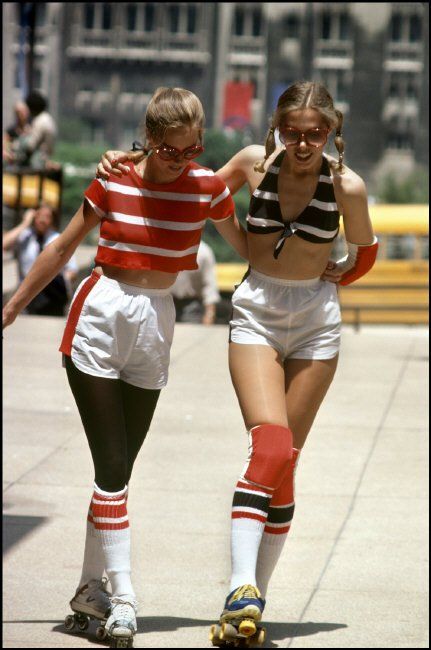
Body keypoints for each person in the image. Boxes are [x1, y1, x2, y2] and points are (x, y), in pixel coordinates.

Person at [95, 80, 378, 642]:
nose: (302, 145)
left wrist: (341, 270)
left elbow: (366, 251)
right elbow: (190, 183)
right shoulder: (253, 163)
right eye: (291, 133)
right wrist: (130, 158)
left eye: (315, 134)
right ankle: (240, 588)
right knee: (269, 443)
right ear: (275, 129)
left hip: (317, 323)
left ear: (333, 132)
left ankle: (250, 610)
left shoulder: (347, 186)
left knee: (285, 463)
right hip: (257, 311)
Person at [2, 87, 247, 646]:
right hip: (100, 314)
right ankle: (124, 597)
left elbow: (252, 250)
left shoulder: (208, 188)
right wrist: (11, 308)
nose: (185, 161)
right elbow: (64, 247)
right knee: (112, 467)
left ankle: (89, 590)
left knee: (117, 473)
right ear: (151, 140)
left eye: (195, 149)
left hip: (157, 323)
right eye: (173, 151)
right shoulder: (114, 177)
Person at [2, 204, 78, 316]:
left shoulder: (58, 239)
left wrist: (61, 281)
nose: (42, 220)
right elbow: (4, 244)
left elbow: (72, 270)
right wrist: (25, 223)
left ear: (52, 219)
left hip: (52, 298)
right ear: (34, 216)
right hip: (27, 296)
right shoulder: (25, 236)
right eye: (39, 216)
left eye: (47, 216)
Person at [170, 239, 220, 324]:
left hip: (191, 305)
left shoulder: (204, 252)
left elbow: (209, 285)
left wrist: (209, 314)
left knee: (189, 335)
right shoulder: (167, 246)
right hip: (167, 301)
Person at [3, 101, 31, 165]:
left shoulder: (33, 129)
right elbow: (5, 147)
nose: (21, 114)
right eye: (18, 112)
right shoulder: (10, 131)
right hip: (15, 165)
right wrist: (8, 154)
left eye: (23, 111)